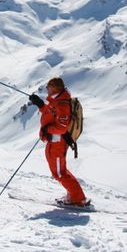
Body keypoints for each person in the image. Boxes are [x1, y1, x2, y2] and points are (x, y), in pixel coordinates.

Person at [29, 77, 88, 206]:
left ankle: (78, 199)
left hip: (57, 143)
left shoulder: (61, 104)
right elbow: (50, 113)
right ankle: (73, 195)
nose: (47, 89)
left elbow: (61, 127)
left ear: (55, 88)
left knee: (60, 173)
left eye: (49, 87)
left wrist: (46, 130)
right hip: (54, 144)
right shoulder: (57, 100)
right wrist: (40, 104)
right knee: (61, 171)